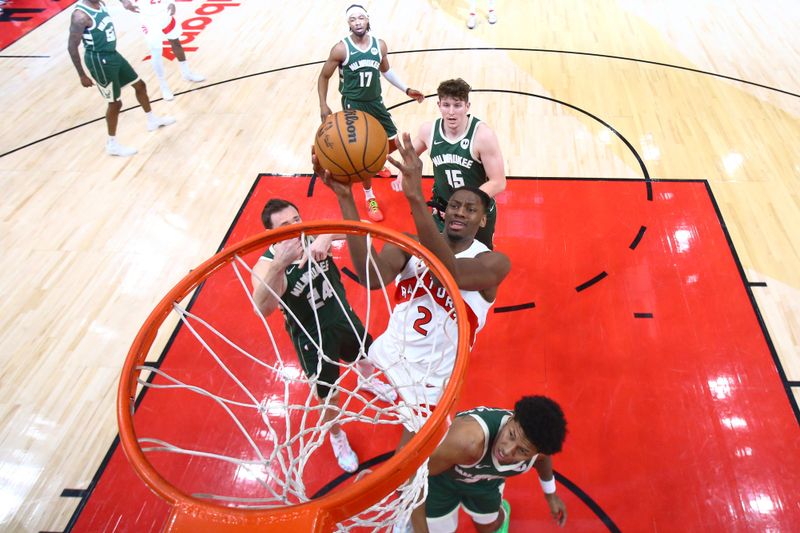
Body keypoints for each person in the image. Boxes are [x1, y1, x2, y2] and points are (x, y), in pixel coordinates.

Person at [315, 133, 511, 441]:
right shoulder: (413, 243)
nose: (459, 211)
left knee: (414, 457)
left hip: (431, 378)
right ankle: (348, 419)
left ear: (483, 221)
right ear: (444, 212)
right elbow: (371, 277)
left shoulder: (493, 262)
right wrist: (344, 197)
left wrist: (414, 197)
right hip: (390, 351)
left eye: (470, 209)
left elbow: (452, 274)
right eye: (454, 205)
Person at [250, 198, 397, 473]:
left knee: (366, 352)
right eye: (285, 225)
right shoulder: (265, 266)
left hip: (342, 315)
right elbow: (262, 308)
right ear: (272, 234)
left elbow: (362, 227)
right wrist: (279, 265)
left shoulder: (313, 234)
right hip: (312, 338)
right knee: (327, 395)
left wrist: (327, 236)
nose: (295, 227)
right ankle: (337, 436)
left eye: (296, 219)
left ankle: (367, 380)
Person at [317, 3, 425, 222]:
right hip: (354, 105)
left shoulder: (379, 45)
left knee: (394, 141)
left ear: (368, 19)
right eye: (352, 20)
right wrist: (323, 104)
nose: (357, 22)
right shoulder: (341, 49)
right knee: (361, 153)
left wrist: (407, 89)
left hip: (376, 102)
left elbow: (386, 71)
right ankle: (369, 195)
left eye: (361, 18)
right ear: (348, 24)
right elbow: (323, 76)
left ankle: (377, 161)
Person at [410, 396, 568, 532]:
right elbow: (414, 475)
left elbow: (543, 459)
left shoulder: (538, 450)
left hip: (485, 483)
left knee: (488, 528)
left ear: (536, 453)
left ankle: (501, 513)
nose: (507, 450)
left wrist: (550, 495)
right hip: (442, 482)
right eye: (511, 435)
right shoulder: (468, 442)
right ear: (511, 417)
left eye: (522, 451)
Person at [391, 79, 505, 249]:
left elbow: (498, 182)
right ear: (439, 105)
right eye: (446, 105)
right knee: (442, 257)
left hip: (475, 211)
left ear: (467, 106)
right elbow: (410, 154)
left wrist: (464, 206)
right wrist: (403, 172)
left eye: (457, 105)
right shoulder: (428, 131)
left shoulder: (483, 136)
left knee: (477, 262)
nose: (451, 112)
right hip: (443, 209)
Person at [68, 0, 175, 157]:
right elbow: (72, 46)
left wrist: (125, 2)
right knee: (115, 103)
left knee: (140, 85)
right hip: (99, 61)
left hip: (113, 54)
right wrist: (82, 75)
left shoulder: (100, 3)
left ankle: (152, 120)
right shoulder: (80, 16)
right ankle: (112, 144)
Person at [121, 0, 205, 101]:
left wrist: (172, 3)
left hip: (165, 13)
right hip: (148, 19)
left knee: (176, 42)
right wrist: (124, 1)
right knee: (156, 51)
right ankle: (164, 86)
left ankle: (186, 73)